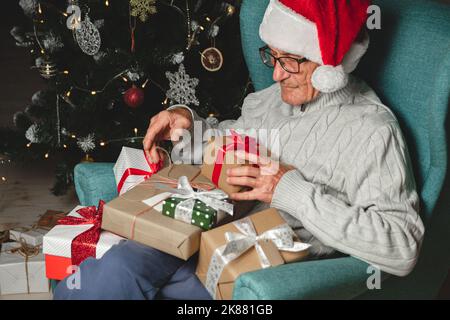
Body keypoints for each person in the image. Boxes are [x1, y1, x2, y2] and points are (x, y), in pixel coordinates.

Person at [54, 0, 424, 300]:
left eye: (291, 62)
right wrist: (187, 126)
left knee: (127, 276)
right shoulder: (270, 100)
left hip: (258, 273)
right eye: (273, 57)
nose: (276, 74)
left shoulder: (372, 131)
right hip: (206, 230)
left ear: (330, 66)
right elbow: (228, 144)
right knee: (113, 269)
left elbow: (402, 247)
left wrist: (289, 190)